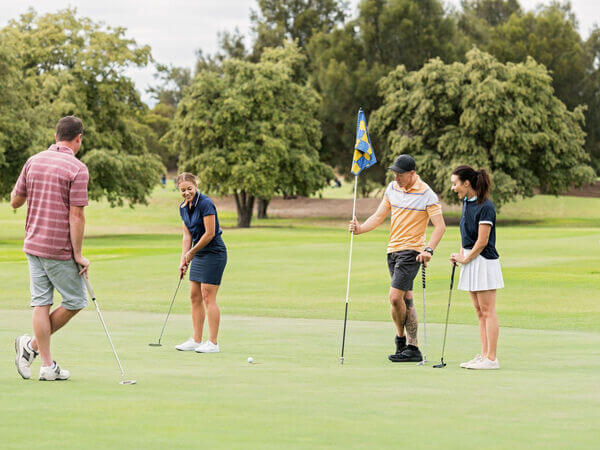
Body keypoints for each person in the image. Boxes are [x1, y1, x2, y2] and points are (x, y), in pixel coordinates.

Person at [12, 116, 90, 381]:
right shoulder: (78, 168)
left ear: (56, 135)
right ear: (78, 138)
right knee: (76, 300)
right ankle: (33, 347)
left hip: (33, 244)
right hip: (57, 249)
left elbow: (15, 200)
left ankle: (46, 365)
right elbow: (76, 216)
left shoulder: (33, 161)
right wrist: (78, 255)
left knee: (41, 303)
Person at [349, 154, 446, 362]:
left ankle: (401, 341)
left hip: (412, 251)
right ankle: (412, 348)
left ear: (412, 174)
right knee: (405, 298)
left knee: (394, 297)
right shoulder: (392, 189)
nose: (396, 177)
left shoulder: (427, 194)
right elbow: (378, 215)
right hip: (392, 250)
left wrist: (428, 250)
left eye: (400, 174)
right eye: (394, 173)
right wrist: (360, 229)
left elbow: (440, 226)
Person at [450, 165, 503, 370]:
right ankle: (483, 355)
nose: (453, 187)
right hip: (471, 260)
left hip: (484, 262)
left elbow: (482, 242)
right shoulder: (466, 202)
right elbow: (468, 238)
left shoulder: (486, 206)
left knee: (488, 310)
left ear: (467, 183)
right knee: (479, 311)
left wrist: (465, 258)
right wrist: (460, 255)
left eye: (455, 183)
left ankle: (492, 358)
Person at [175, 172, 227, 353]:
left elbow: (210, 233)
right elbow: (187, 234)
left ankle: (213, 343)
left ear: (195, 186)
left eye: (189, 188)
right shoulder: (183, 207)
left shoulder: (205, 203)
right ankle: (197, 340)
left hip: (214, 253)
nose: (187, 193)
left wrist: (191, 253)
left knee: (207, 295)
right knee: (194, 296)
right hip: (198, 254)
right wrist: (184, 258)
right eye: (183, 190)